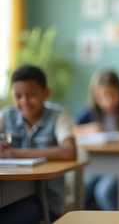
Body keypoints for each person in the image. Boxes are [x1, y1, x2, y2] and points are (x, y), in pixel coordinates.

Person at [0, 64, 77, 223]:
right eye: (18, 96)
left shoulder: (58, 115)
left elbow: (70, 151)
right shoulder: (6, 115)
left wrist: (15, 154)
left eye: (32, 94)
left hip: (44, 200)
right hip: (6, 193)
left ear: (45, 93)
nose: (24, 101)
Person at [74, 69, 119, 210]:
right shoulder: (90, 112)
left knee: (104, 191)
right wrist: (88, 129)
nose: (108, 101)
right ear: (95, 96)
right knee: (84, 187)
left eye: (112, 95)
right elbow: (70, 129)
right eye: (103, 96)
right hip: (94, 167)